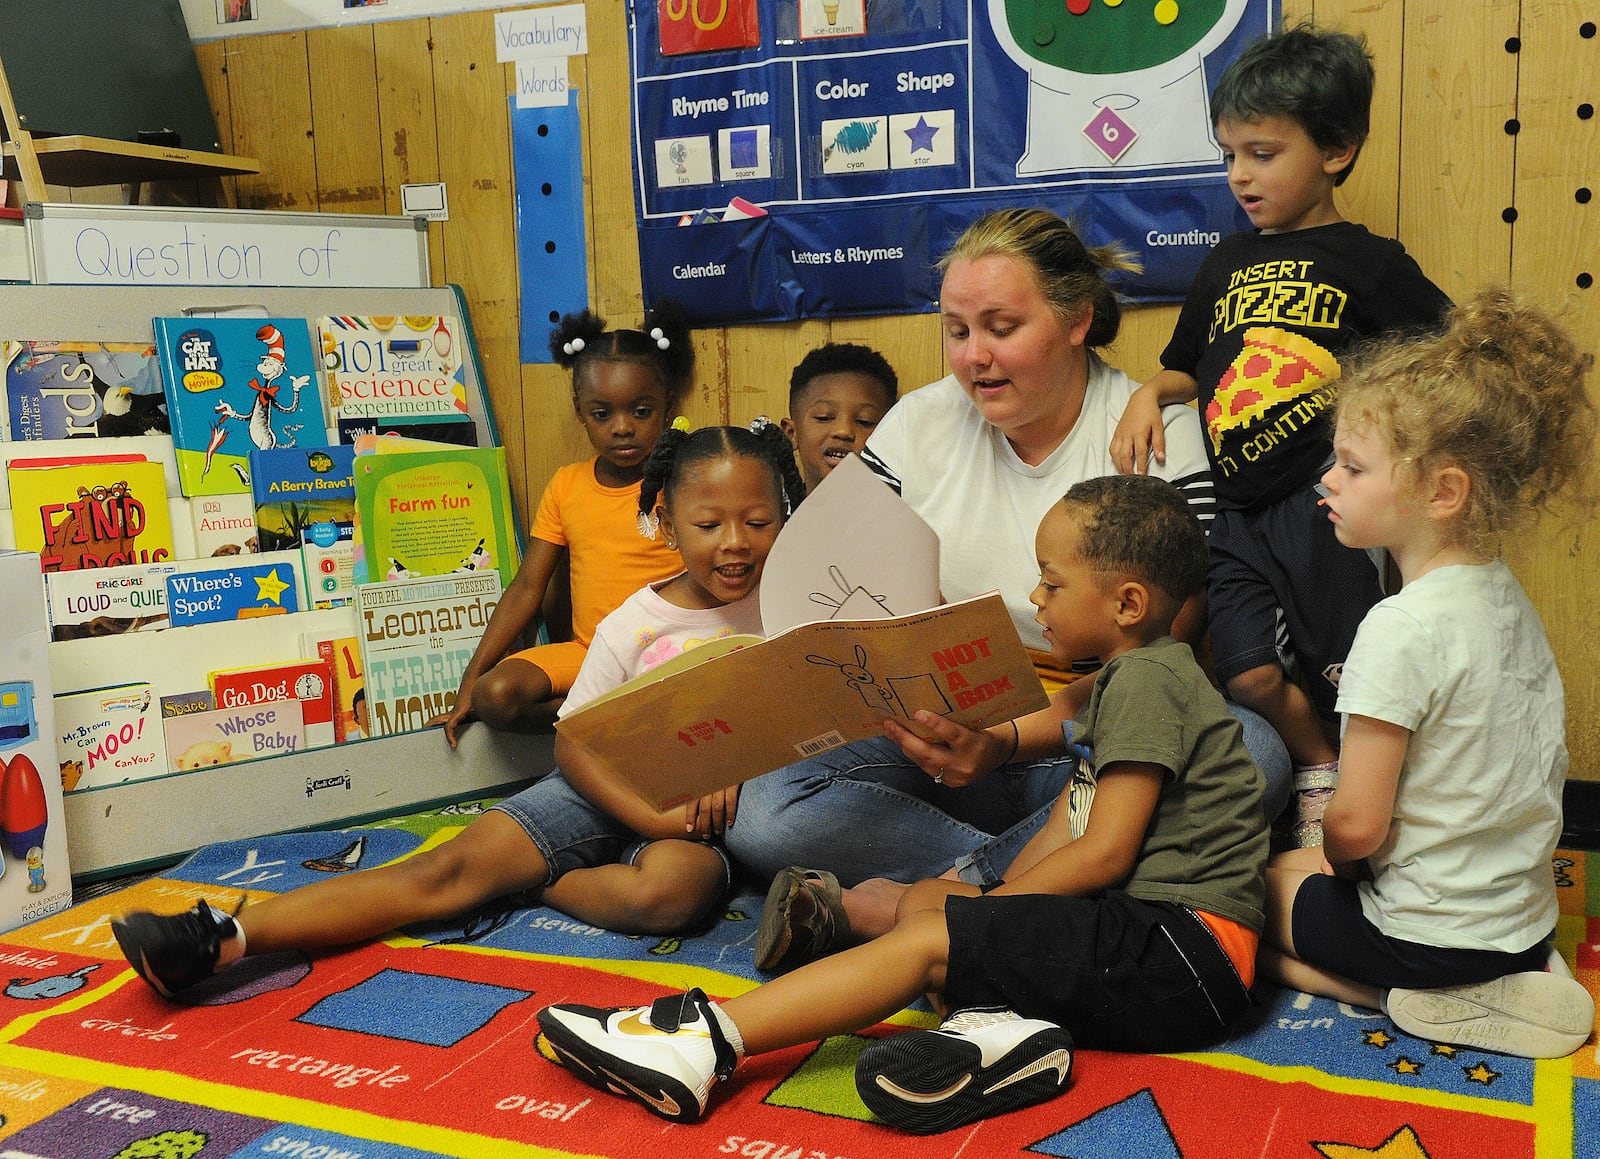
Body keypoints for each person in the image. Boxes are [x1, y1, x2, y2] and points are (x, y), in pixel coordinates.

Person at [535, 475, 1270, 1133]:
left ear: (1129, 602)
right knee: (927, 904)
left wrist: (985, 915)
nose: (1036, 598)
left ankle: (701, 1042)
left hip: (1184, 953)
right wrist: (976, 899)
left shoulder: (1147, 682)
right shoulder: (1125, 676)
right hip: (1159, 943)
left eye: (1051, 583)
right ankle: (1003, 1038)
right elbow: (1067, 814)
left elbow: (1106, 849)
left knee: (931, 935)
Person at [725, 207, 1289, 965]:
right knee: (765, 810)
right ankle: (1075, 884)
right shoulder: (917, 424)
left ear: (1077, 319)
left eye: (1001, 327)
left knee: (1253, 754)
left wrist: (1005, 742)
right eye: (957, 331)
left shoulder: (1156, 434)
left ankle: (940, 899)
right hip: (945, 738)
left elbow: (1163, 657)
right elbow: (838, 606)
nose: (975, 357)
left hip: (1097, 741)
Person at [110, 423, 807, 999]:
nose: (735, 543)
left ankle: (543, 886)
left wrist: (724, 777)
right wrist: (646, 813)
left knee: (673, 896)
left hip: (698, 821)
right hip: (607, 785)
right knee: (440, 875)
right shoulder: (637, 621)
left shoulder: (795, 604)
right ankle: (221, 936)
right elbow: (573, 743)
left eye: (758, 520)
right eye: (709, 523)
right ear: (664, 522)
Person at [1108, 24, 1451, 847]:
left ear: (1336, 149)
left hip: (1328, 508)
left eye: (1263, 153)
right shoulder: (1225, 261)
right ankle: (1319, 766)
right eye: (1230, 154)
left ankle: (1371, 812)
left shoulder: (1369, 262)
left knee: (1353, 670)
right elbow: (1189, 365)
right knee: (1251, 671)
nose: (1240, 175)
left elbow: (1447, 356)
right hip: (1238, 511)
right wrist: (1151, 390)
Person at [1259, 289, 1596, 1059]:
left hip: (1425, 939)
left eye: (1352, 465)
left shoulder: (1400, 625)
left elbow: (1354, 826)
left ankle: (1401, 998)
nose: (1328, 482)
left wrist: (1335, 867)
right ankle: (1517, 973)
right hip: (1518, 920)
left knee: (1248, 888)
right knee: (1297, 866)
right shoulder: (1503, 593)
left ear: (1443, 491)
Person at [436, 305, 694, 744]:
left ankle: (614, 709)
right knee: (495, 697)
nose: (622, 428)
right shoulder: (567, 485)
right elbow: (526, 587)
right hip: (588, 653)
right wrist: (469, 685)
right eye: (602, 414)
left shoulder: (686, 479)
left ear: (668, 406)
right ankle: (609, 711)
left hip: (670, 653)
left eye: (641, 411)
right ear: (580, 411)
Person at [781, 341, 899, 493]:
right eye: (824, 418)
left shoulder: (901, 514)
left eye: (865, 421)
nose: (843, 431)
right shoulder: (773, 514)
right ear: (791, 433)